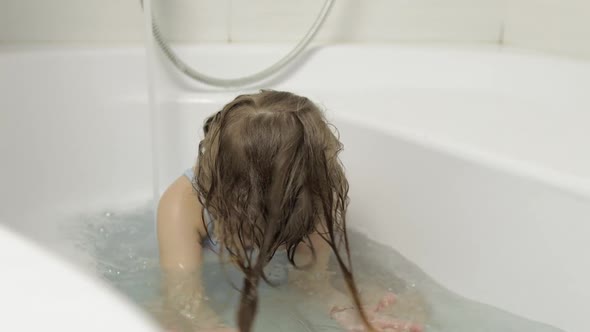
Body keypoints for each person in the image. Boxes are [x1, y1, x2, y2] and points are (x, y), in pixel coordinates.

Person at [157, 90, 422, 332]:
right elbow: (184, 300)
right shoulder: (183, 205)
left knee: (403, 303)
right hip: (214, 276)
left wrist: (347, 313)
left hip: (272, 272)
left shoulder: (312, 197)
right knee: (165, 319)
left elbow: (311, 281)